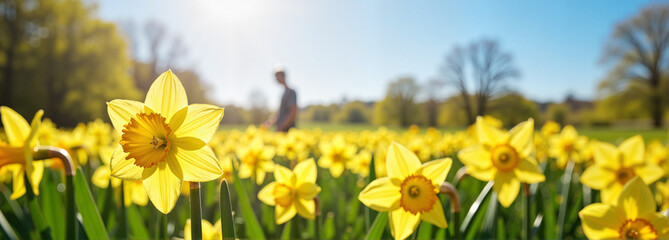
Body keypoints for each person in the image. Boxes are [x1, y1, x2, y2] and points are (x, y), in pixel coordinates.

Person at [263, 66, 297, 132]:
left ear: (283, 76)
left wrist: (280, 127)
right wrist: (269, 123)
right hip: (282, 130)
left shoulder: (291, 92)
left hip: (288, 131)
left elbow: (293, 112)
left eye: (277, 76)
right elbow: (281, 113)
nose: (276, 79)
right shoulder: (284, 93)